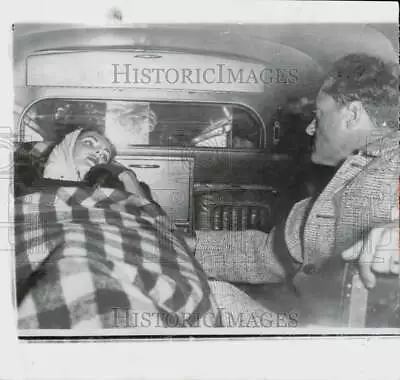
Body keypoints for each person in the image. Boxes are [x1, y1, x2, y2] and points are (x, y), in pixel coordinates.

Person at [195, 53, 399, 326]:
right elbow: (269, 254)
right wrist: (190, 245)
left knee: (199, 299)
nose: (310, 127)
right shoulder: (344, 180)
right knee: (207, 294)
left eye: (319, 114)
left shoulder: (392, 161)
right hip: (312, 328)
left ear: (352, 114)